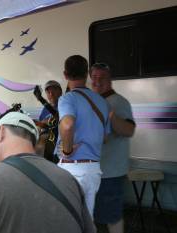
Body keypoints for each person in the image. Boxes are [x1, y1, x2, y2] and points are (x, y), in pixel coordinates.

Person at [55, 55, 110, 217]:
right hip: (93, 170)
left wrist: (66, 151)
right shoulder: (102, 102)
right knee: (87, 219)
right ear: (86, 74)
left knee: (68, 220)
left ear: (65, 75)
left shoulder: (67, 98)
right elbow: (105, 138)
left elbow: (67, 125)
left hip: (72, 168)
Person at [90, 63, 135, 233]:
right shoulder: (92, 101)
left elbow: (129, 130)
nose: (97, 81)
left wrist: (110, 114)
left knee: (112, 218)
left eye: (102, 77)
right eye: (94, 77)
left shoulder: (118, 102)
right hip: (94, 171)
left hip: (110, 173)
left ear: (110, 79)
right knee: (93, 217)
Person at [36, 80, 62, 162]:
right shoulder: (45, 109)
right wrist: (34, 122)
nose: (51, 94)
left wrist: (41, 99)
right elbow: (43, 125)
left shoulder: (65, 105)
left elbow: (58, 117)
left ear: (60, 92)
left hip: (60, 150)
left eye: (54, 91)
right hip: (47, 149)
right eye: (48, 92)